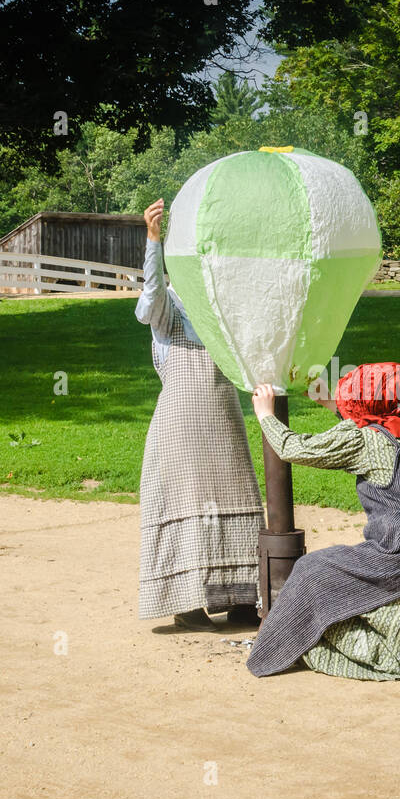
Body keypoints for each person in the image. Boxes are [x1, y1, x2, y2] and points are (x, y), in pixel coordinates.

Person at [246, 363, 400, 679]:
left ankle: (275, 649)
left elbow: (292, 448)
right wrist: (319, 394)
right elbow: (369, 419)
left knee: (312, 571)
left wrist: (265, 413)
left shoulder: (363, 440)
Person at [135, 198, 262, 629]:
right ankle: (188, 602)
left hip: (223, 418)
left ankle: (242, 598)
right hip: (180, 423)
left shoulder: (222, 309)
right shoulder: (167, 305)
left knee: (238, 497)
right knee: (187, 502)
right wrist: (152, 240)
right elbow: (148, 301)